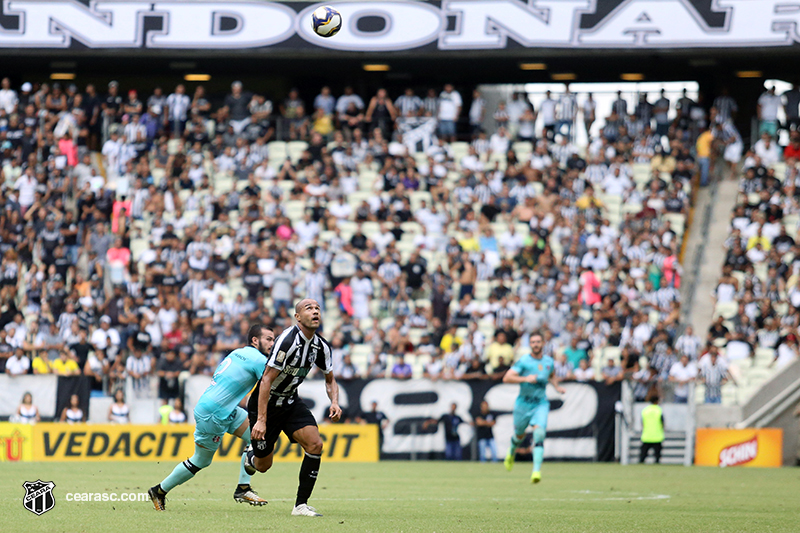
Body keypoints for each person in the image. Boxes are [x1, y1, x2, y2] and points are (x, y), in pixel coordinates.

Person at [148, 324, 275, 511]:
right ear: (255, 340)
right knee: (201, 460)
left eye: (274, 339)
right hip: (214, 413)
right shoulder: (258, 360)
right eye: (269, 339)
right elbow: (271, 385)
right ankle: (159, 490)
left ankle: (243, 488)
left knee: (257, 436)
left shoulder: (237, 353)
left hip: (220, 407)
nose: (273, 343)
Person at [244, 299, 341, 518]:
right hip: (266, 404)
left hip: (290, 402)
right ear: (297, 317)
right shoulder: (287, 341)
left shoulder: (321, 346)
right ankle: (251, 456)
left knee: (315, 444)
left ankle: (300, 505)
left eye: (317, 308)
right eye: (309, 308)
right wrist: (261, 420)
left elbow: (330, 379)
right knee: (263, 466)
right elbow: (266, 380)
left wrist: (334, 401)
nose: (315, 311)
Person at [502, 333, 566, 483]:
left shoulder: (549, 361)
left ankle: (536, 471)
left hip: (540, 403)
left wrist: (557, 387)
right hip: (523, 404)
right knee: (519, 435)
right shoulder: (524, 361)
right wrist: (525, 378)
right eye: (533, 342)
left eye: (538, 341)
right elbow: (506, 378)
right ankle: (511, 451)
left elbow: (551, 375)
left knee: (539, 434)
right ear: (530, 344)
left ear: (543, 343)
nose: (536, 344)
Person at [640, 394, 665, 464]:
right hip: (657, 436)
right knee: (657, 457)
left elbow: (642, 422)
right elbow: (662, 422)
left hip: (646, 435)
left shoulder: (645, 410)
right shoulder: (659, 410)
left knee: (642, 456)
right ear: (657, 401)